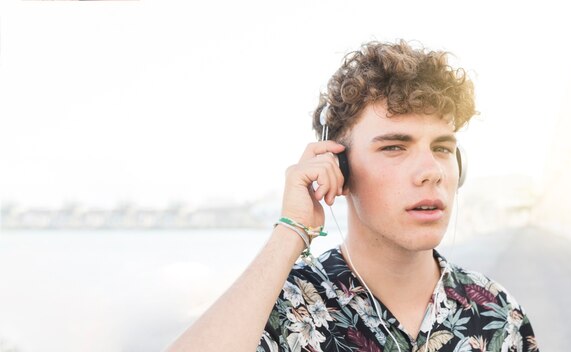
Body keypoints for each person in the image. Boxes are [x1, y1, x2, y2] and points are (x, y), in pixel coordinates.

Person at [168, 40, 539, 352]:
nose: (432, 171)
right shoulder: (287, 309)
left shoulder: (496, 311)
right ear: (339, 170)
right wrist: (291, 232)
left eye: (442, 148)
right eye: (395, 147)